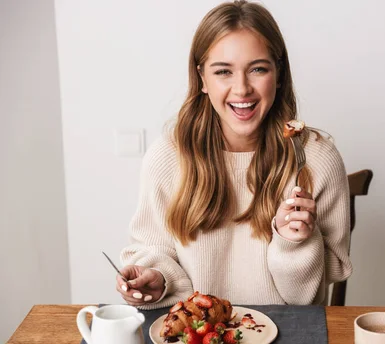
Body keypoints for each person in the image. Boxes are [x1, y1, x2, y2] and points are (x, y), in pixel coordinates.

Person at [116, 0, 352, 308]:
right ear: (202, 79)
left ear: (278, 75)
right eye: (223, 71)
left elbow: (303, 300)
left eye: (257, 69)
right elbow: (155, 249)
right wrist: (159, 279)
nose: (242, 89)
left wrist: (294, 243)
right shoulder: (169, 157)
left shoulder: (317, 159)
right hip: (195, 337)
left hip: (288, 342)